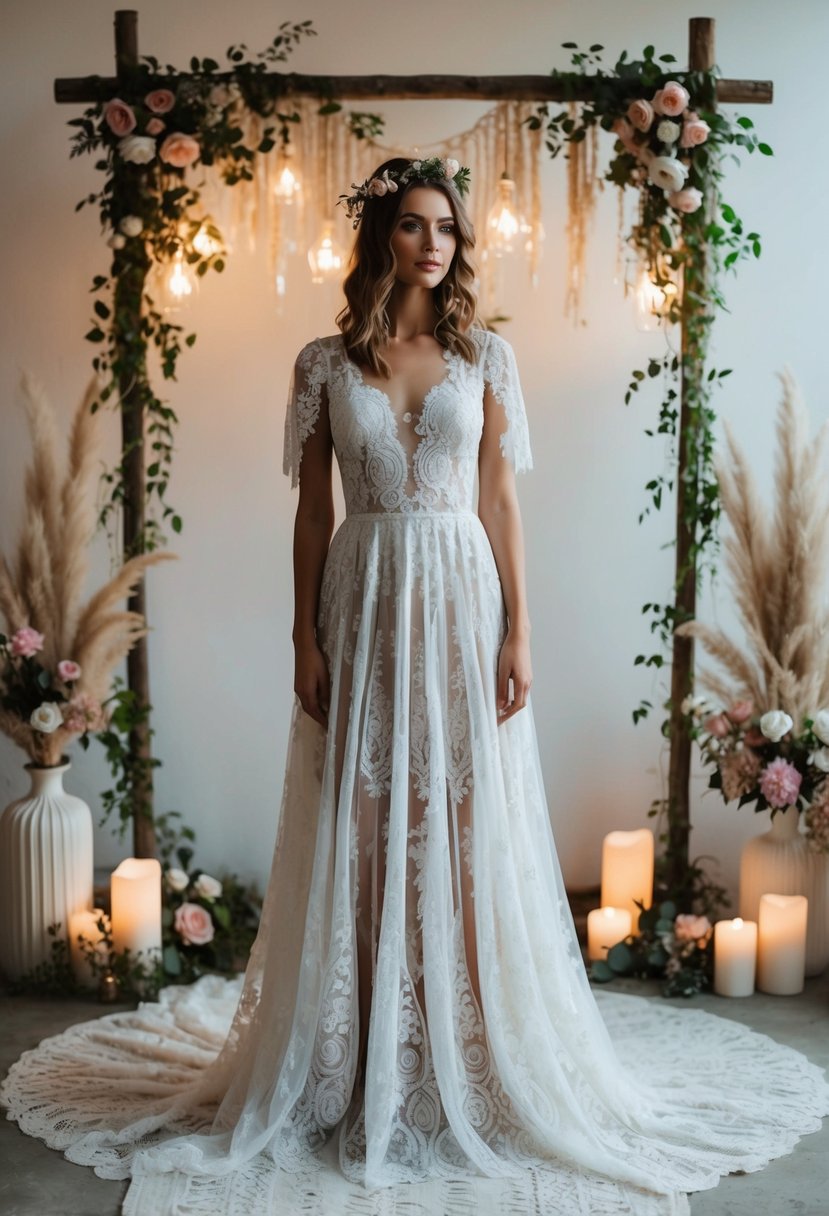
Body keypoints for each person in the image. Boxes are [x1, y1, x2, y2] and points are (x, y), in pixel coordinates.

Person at [3, 155, 828, 1216]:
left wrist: (519, 631)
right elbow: (312, 511)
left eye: (444, 225)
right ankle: (358, 1046)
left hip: (456, 600)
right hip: (363, 593)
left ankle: (459, 1041)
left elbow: (500, 502)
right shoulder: (324, 361)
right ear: (380, 237)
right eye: (410, 224)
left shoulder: (486, 355)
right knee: (365, 810)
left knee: (462, 809)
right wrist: (301, 636)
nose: (431, 241)